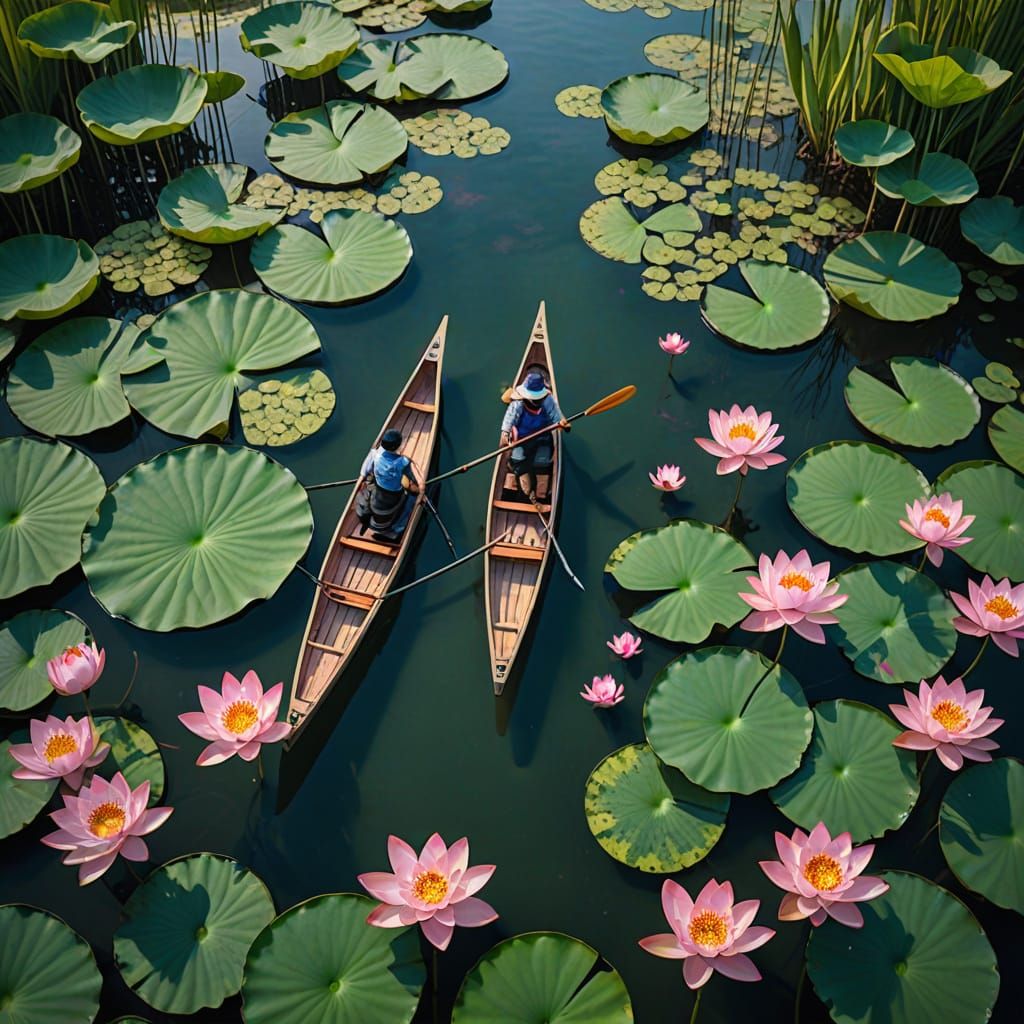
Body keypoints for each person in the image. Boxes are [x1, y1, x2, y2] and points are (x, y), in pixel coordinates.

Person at [499, 371, 569, 501]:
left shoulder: (547, 400)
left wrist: (563, 423)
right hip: (521, 439)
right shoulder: (518, 403)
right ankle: (518, 489)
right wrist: (505, 434)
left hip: (542, 437)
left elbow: (556, 416)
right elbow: (509, 420)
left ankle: (541, 495)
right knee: (518, 461)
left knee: (542, 463)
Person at [355, 428, 423, 540]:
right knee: (412, 498)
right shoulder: (401, 462)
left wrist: (360, 484)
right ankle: (398, 528)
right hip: (393, 497)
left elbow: (363, 473)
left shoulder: (374, 454)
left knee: (371, 482)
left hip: (378, 492)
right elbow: (413, 478)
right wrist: (421, 491)